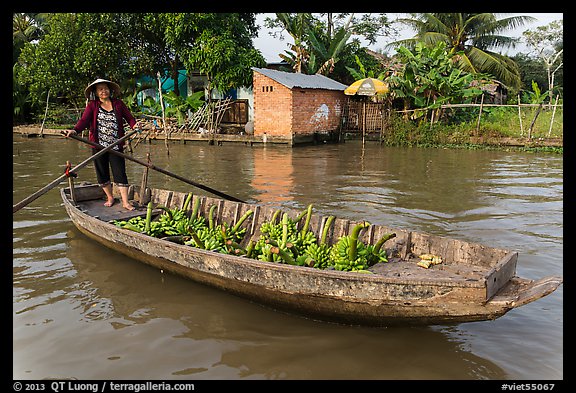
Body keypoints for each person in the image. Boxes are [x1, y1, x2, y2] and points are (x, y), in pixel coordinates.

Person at [66, 78, 139, 210]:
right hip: (98, 146)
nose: (103, 91)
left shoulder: (118, 104)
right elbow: (84, 121)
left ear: (110, 90)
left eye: (105, 88)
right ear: (96, 92)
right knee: (102, 172)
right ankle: (110, 197)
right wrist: (75, 130)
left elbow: (129, 118)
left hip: (115, 145)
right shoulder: (92, 106)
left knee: (120, 173)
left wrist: (135, 126)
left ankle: (125, 202)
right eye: (100, 89)